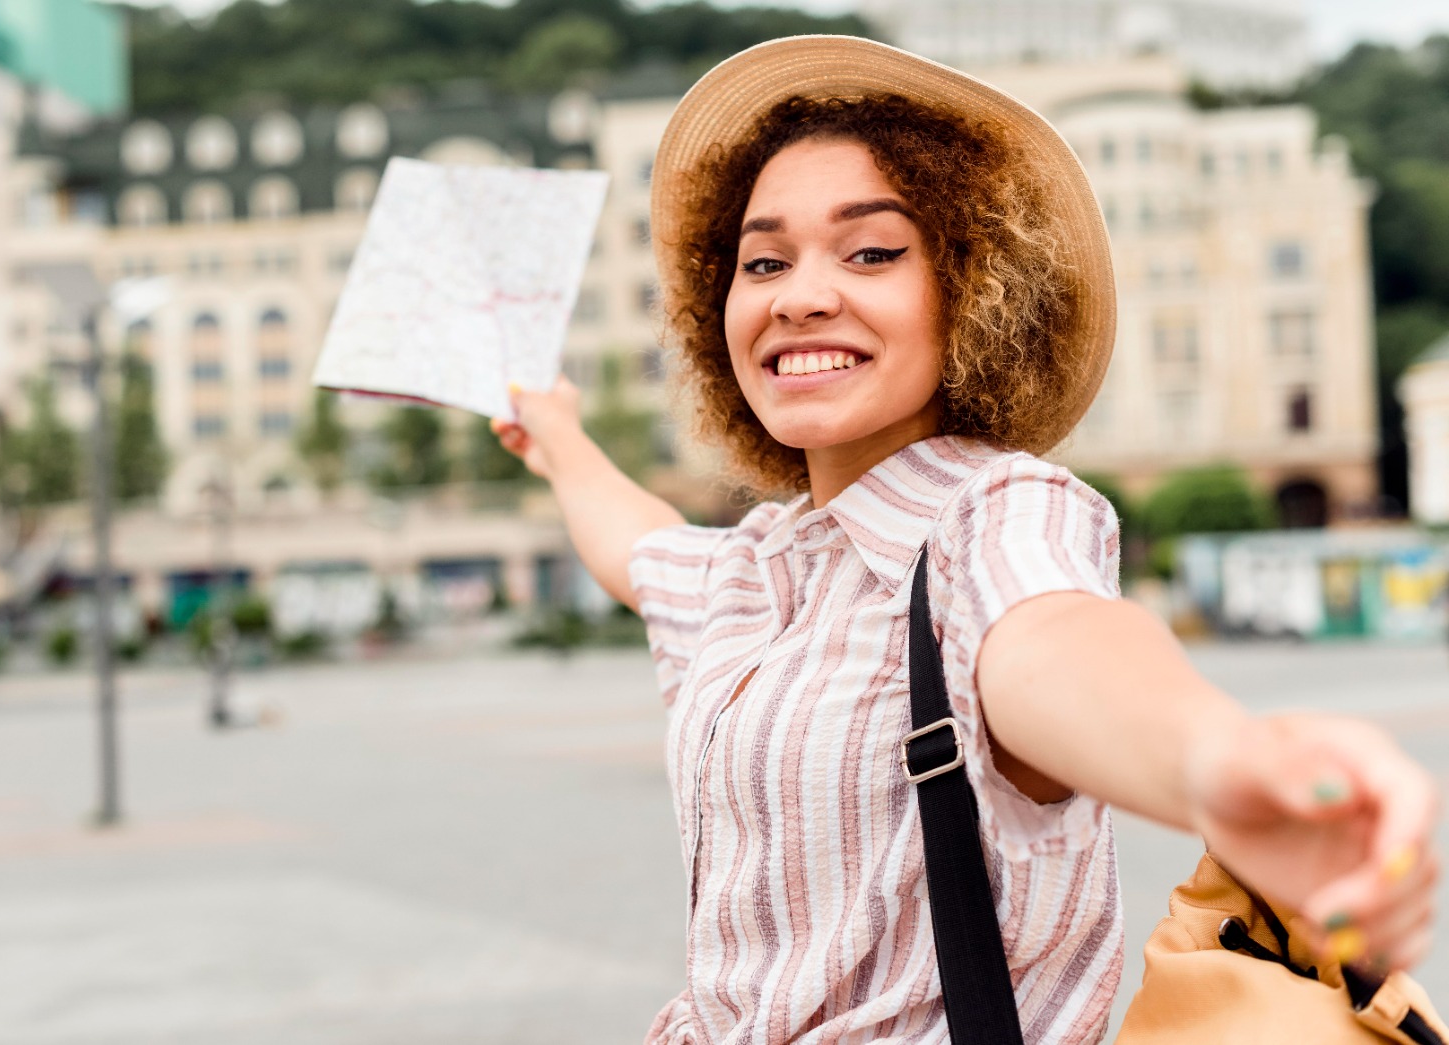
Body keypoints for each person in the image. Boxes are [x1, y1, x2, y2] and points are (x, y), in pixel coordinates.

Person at [491, 35, 1440, 1044]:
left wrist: (1214, 758)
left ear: (974, 287)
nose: (797, 294)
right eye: (761, 260)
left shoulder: (995, 512)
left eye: (871, 252)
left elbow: (1051, 640)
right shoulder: (756, 568)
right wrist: (555, 435)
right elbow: (639, 548)